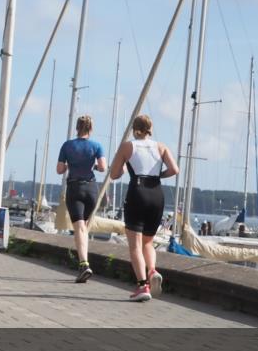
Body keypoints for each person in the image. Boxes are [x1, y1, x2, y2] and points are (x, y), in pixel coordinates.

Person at [108, 114, 179, 302]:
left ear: (134, 129)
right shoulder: (161, 147)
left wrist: (123, 168)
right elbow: (174, 169)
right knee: (148, 242)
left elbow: (114, 174)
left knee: (135, 245)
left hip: (137, 192)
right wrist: (158, 176)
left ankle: (142, 286)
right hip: (156, 193)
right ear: (150, 129)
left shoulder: (127, 146)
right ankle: (153, 270)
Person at [55, 115, 106, 283]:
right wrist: (93, 166)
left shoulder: (67, 145)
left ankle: (84, 264)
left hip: (75, 188)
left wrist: (70, 164)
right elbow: (103, 167)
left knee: (79, 228)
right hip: (91, 189)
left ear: (77, 128)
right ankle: (84, 263)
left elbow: (59, 169)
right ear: (91, 129)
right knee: (84, 227)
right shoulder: (96, 146)